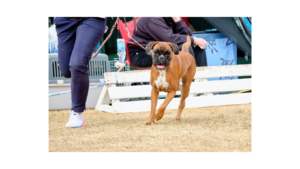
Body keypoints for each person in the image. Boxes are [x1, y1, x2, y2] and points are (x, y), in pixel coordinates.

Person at [54, 17, 107, 129]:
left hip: (92, 17)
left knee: (77, 64)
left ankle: (77, 112)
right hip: (65, 18)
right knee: (66, 71)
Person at [128, 17, 208, 67]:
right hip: (142, 55)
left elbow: (188, 35)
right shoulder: (151, 18)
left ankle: (201, 80)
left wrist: (177, 20)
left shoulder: (169, 18)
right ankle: (192, 82)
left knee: (197, 46)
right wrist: (194, 39)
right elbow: (170, 39)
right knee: (184, 47)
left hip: (162, 51)